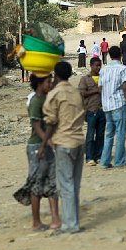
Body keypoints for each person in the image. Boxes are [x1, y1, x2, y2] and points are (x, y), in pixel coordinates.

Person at [40, 61, 86, 235]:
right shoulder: (76, 92)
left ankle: (70, 225)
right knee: (74, 184)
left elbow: (50, 122)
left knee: (65, 185)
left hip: (64, 142)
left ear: (56, 75)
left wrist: (44, 144)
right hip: (79, 141)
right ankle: (73, 221)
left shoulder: (55, 94)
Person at [14, 74, 61, 232]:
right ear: (40, 84)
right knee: (37, 185)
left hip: (47, 146)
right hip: (37, 147)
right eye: (48, 81)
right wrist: (47, 143)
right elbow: (37, 127)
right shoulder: (35, 102)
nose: (50, 84)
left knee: (52, 183)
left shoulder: (47, 99)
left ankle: (55, 219)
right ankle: (36, 222)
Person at [98, 46, 126, 168]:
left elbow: (100, 88)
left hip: (107, 106)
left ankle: (104, 161)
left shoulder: (103, 70)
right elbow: (125, 87)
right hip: (119, 104)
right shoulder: (123, 69)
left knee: (108, 135)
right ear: (120, 55)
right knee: (120, 134)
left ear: (109, 55)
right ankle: (119, 161)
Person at [78, 57, 105, 166]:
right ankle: (89, 157)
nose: (98, 67)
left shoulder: (103, 77)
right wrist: (96, 90)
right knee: (90, 135)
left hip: (102, 110)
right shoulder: (85, 79)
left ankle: (98, 155)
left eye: (100, 65)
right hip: (90, 110)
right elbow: (82, 93)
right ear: (91, 66)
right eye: (96, 65)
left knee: (100, 134)